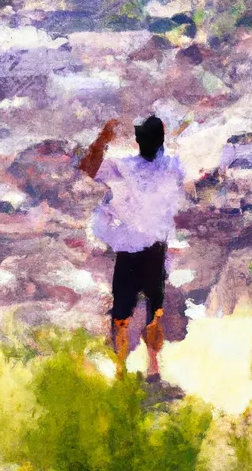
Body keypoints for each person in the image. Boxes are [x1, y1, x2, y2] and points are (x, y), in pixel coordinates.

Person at [78, 114, 187, 379]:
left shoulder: (164, 167)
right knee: (135, 315)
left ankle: (143, 369)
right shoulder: (150, 167)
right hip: (139, 251)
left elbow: (89, 168)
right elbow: (89, 168)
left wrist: (104, 139)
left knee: (143, 315)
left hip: (144, 251)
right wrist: (103, 139)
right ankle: (129, 371)